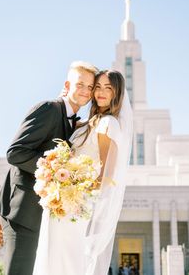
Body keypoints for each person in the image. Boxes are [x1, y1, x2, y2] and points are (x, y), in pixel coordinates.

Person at [0, 61, 98, 275]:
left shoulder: (73, 122)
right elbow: (15, 152)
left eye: (90, 87)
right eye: (80, 84)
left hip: (41, 213)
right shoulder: (49, 108)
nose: (86, 91)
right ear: (67, 85)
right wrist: (57, 173)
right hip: (21, 211)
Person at [32, 69, 133, 275]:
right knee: (54, 255)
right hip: (61, 201)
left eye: (108, 88)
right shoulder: (88, 124)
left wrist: (77, 197)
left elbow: (106, 174)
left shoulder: (108, 124)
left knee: (67, 260)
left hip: (76, 205)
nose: (101, 92)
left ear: (117, 93)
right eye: (97, 87)